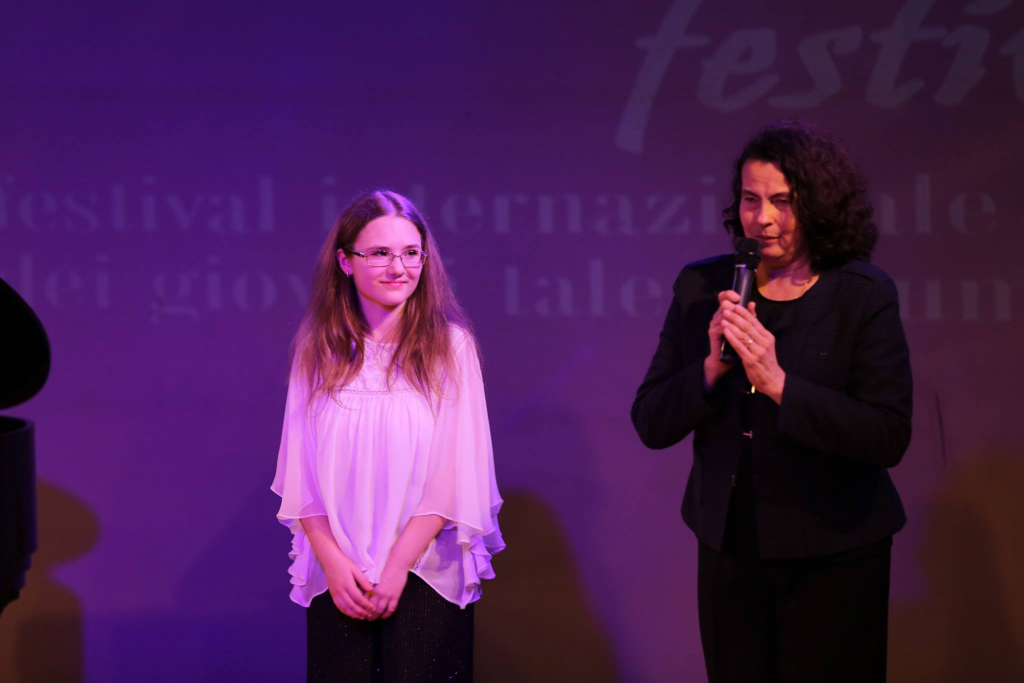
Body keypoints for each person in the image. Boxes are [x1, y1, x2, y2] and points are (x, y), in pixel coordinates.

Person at [631, 122, 912, 683]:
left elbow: (886, 435)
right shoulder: (703, 285)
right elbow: (651, 421)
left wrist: (779, 382)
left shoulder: (861, 293)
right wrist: (711, 368)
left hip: (834, 549)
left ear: (818, 204)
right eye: (750, 199)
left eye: (782, 202)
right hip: (730, 548)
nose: (762, 219)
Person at [272, 190, 504, 682]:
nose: (399, 267)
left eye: (411, 252)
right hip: (340, 574)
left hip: (424, 571)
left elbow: (455, 473)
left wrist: (398, 565)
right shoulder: (319, 349)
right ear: (346, 262)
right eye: (380, 253)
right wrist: (334, 563)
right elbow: (301, 473)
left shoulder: (450, 348)